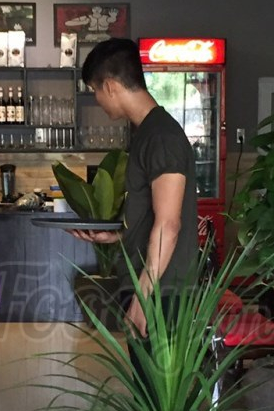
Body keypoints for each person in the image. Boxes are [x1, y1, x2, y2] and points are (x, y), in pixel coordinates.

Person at [68, 37, 196, 338]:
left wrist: (142, 295)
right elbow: (152, 217)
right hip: (152, 285)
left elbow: (169, 224)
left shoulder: (161, 137)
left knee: (154, 370)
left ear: (111, 86)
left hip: (162, 291)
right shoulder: (149, 133)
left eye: (95, 90)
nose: (97, 99)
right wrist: (115, 236)